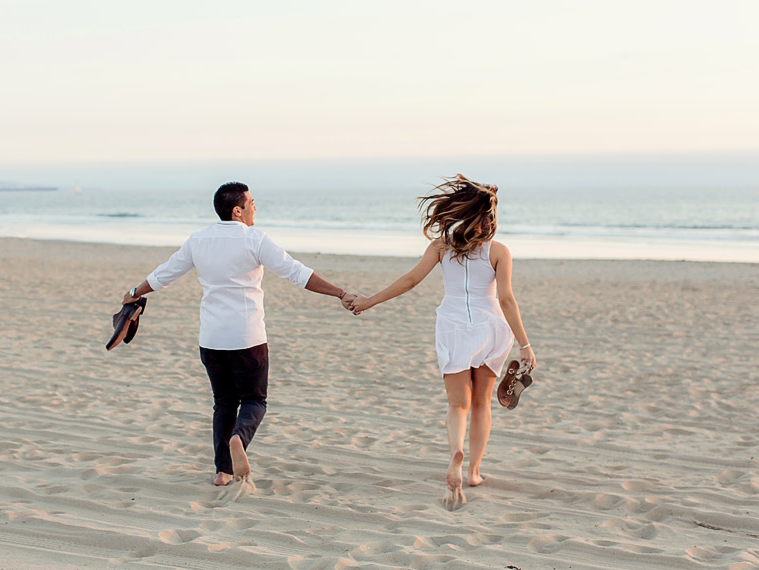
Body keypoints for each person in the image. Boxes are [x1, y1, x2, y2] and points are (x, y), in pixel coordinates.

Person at [120, 182, 356, 487]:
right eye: (252, 202)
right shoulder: (255, 239)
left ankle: (223, 472)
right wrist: (340, 293)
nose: (255, 207)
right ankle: (239, 438)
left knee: (224, 403)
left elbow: (165, 274)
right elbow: (297, 273)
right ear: (237, 210)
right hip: (248, 339)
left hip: (212, 339)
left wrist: (132, 293)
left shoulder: (198, 240)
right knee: (255, 401)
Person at [351, 174, 536, 510]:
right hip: (491, 328)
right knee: (481, 404)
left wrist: (370, 300)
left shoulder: (441, 247)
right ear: (489, 218)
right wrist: (525, 344)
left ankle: (456, 453)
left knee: (457, 405)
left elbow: (410, 281)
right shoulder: (499, 252)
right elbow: (507, 299)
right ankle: (475, 471)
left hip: (452, 327)